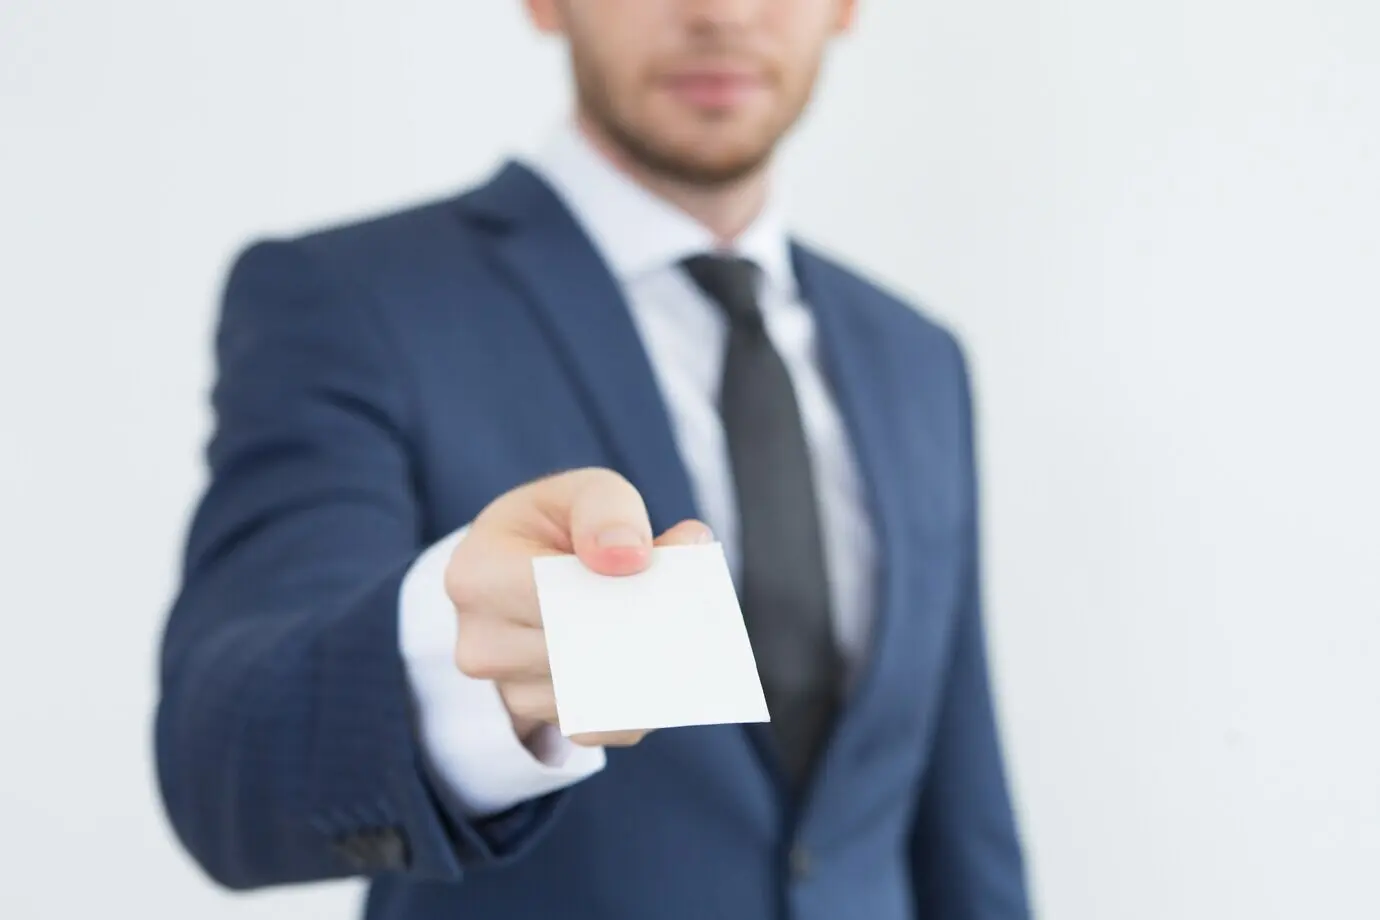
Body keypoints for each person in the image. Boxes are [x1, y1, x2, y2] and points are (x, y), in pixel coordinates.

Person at [154, 1, 1031, 917]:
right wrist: (460, 655)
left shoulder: (918, 359)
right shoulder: (350, 300)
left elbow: (960, 813)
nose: (721, 13)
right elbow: (224, 756)